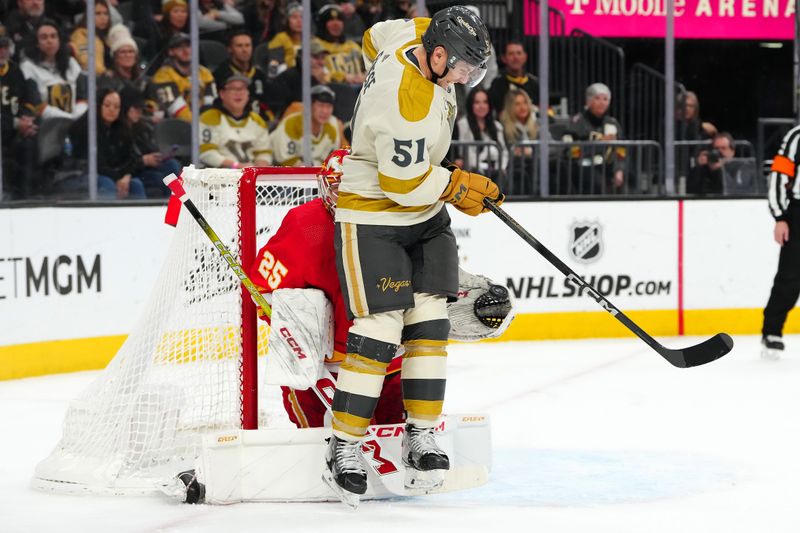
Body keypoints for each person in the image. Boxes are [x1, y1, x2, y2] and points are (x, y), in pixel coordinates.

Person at [323, 7, 502, 504]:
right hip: (375, 217)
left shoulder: (411, 33)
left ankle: (420, 435)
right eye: (464, 69)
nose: (466, 79)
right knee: (379, 331)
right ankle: (342, 446)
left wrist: (440, 175)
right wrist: (457, 183)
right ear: (439, 55)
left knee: (430, 324)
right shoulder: (406, 103)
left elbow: (370, 35)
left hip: (424, 217)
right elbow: (401, 185)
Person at [58, 87, 146, 200]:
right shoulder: (85, 127)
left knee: (135, 184)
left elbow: (129, 158)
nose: (112, 110)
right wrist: (119, 178)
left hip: (107, 174)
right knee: (107, 184)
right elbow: (93, 165)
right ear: (97, 106)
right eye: (107, 105)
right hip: (76, 174)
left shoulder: (118, 128)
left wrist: (127, 176)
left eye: (116, 107)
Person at [762, 124, 800, 360]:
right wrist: (780, 217)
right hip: (798, 213)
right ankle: (772, 331)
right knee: (790, 277)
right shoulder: (797, 136)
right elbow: (778, 175)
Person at [562, 82, 626, 194]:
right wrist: (598, 144)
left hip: (608, 166)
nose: (602, 103)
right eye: (597, 98)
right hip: (581, 167)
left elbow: (621, 150)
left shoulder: (612, 123)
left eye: (605, 99)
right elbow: (568, 151)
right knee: (597, 183)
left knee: (629, 178)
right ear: (589, 101)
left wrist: (619, 170)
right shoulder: (576, 123)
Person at [199, 73, 271, 168]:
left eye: (242, 89)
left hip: (251, 176)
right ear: (222, 94)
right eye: (233, 89)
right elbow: (206, 153)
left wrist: (261, 166)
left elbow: (264, 151)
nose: (239, 93)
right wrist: (236, 166)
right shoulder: (209, 118)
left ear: (248, 94)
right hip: (218, 176)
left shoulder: (257, 120)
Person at [20, 20, 87, 120]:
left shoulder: (71, 63)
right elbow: (36, 105)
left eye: (53, 36)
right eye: (44, 37)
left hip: (74, 124)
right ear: (36, 43)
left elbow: (83, 97)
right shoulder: (28, 67)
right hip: (44, 127)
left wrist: (76, 115)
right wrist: (68, 118)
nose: (49, 41)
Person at [0, 28, 39, 199]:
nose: (2, 51)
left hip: (13, 131)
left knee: (30, 141)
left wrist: (26, 119)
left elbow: (25, 99)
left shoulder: (15, 71)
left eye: (4, 46)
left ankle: (26, 196)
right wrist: (16, 123)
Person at [121, 87, 181, 198]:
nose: (139, 112)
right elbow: (122, 162)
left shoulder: (141, 126)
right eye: (135, 108)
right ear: (125, 107)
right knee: (158, 179)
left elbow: (149, 148)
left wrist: (159, 156)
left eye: (140, 109)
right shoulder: (118, 129)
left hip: (143, 168)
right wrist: (143, 161)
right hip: (133, 171)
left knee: (172, 165)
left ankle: (175, 207)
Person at [146, 33, 217, 122]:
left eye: (188, 46)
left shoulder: (204, 73)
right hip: (170, 124)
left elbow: (211, 104)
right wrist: (200, 126)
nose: (186, 51)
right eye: (180, 47)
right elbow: (177, 111)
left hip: (199, 122)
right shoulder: (163, 76)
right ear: (171, 52)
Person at [269, 84, 342, 166]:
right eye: (320, 106)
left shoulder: (332, 125)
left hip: (313, 174)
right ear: (309, 106)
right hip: (277, 171)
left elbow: (331, 161)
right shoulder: (291, 124)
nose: (325, 111)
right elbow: (286, 161)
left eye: (329, 107)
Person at [213, 29, 276, 125]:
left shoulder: (259, 74)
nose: (244, 50)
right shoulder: (221, 74)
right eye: (239, 46)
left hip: (261, 124)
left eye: (247, 45)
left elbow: (270, 103)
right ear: (230, 49)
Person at [453, 86, 507, 184]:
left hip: (495, 171)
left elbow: (504, 152)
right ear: (471, 105)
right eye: (477, 102)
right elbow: (464, 152)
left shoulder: (497, 126)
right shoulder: (463, 124)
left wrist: (500, 168)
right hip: (473, 171)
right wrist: (482, 163)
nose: (481, 106)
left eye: (485, 102)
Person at [271, 40, 330, 118]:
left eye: (322, 58)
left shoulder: (323, 80)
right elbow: (279, 109)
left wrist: (320, 83)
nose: (320, 62)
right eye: (315, 57)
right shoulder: (288, 77)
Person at [313, 4, 365, 85]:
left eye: (339, 20)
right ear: (322, 24)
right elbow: (316, 73)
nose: (336, 24)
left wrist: (364, 76)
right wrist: (343, 77)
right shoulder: (315, 45)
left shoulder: (353, 46)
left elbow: (369, 67)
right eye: (331, 20)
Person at [499, 88, 538, 194]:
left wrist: (532, 152)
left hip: (534, 162)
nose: (522, 107)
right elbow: (505, 149)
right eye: (517, 104)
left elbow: (548, 146)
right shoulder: (503, 126)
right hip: (514, 165)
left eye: (525, 103)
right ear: (510, 107)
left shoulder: (536, 124)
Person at [488, 40, 537, 115]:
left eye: (519, 53)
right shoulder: (497, 85)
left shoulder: (535, 83)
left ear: (525, 57)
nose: (516, 57)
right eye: (511, 54)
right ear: (504, 58)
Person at [69, 0, 112, 75]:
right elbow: (85, 59)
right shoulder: (81, 34)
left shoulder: (106, 37)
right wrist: (104, 72)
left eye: (106, 13)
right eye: (98, 14)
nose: (103, 17)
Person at [267, 1, 302, 69]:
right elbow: (274, 65)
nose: (299, 21)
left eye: (302, 17)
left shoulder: (312, 40)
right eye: (294, 17)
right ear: (287, 21)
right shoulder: (280, 39)